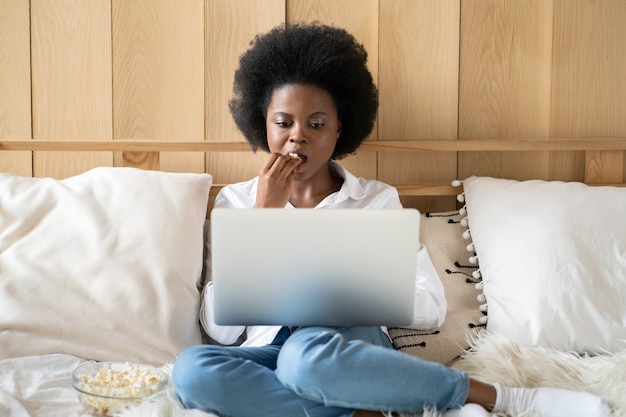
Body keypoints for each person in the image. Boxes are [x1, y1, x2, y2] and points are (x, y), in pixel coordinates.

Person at [172, 23, 612, 417]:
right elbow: (221, 330)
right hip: (268, 350)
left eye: (316, 123)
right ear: (263, 125)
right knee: (192, 373)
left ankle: (502, 397)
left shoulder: (375, 199)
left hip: (347, 347)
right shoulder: (236, 201)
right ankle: (366, 409)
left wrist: (342, 290)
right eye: (283, 122)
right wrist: (261, 221)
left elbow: (431, 307)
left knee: (305, 357)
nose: (298, 135)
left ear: (339, 128)